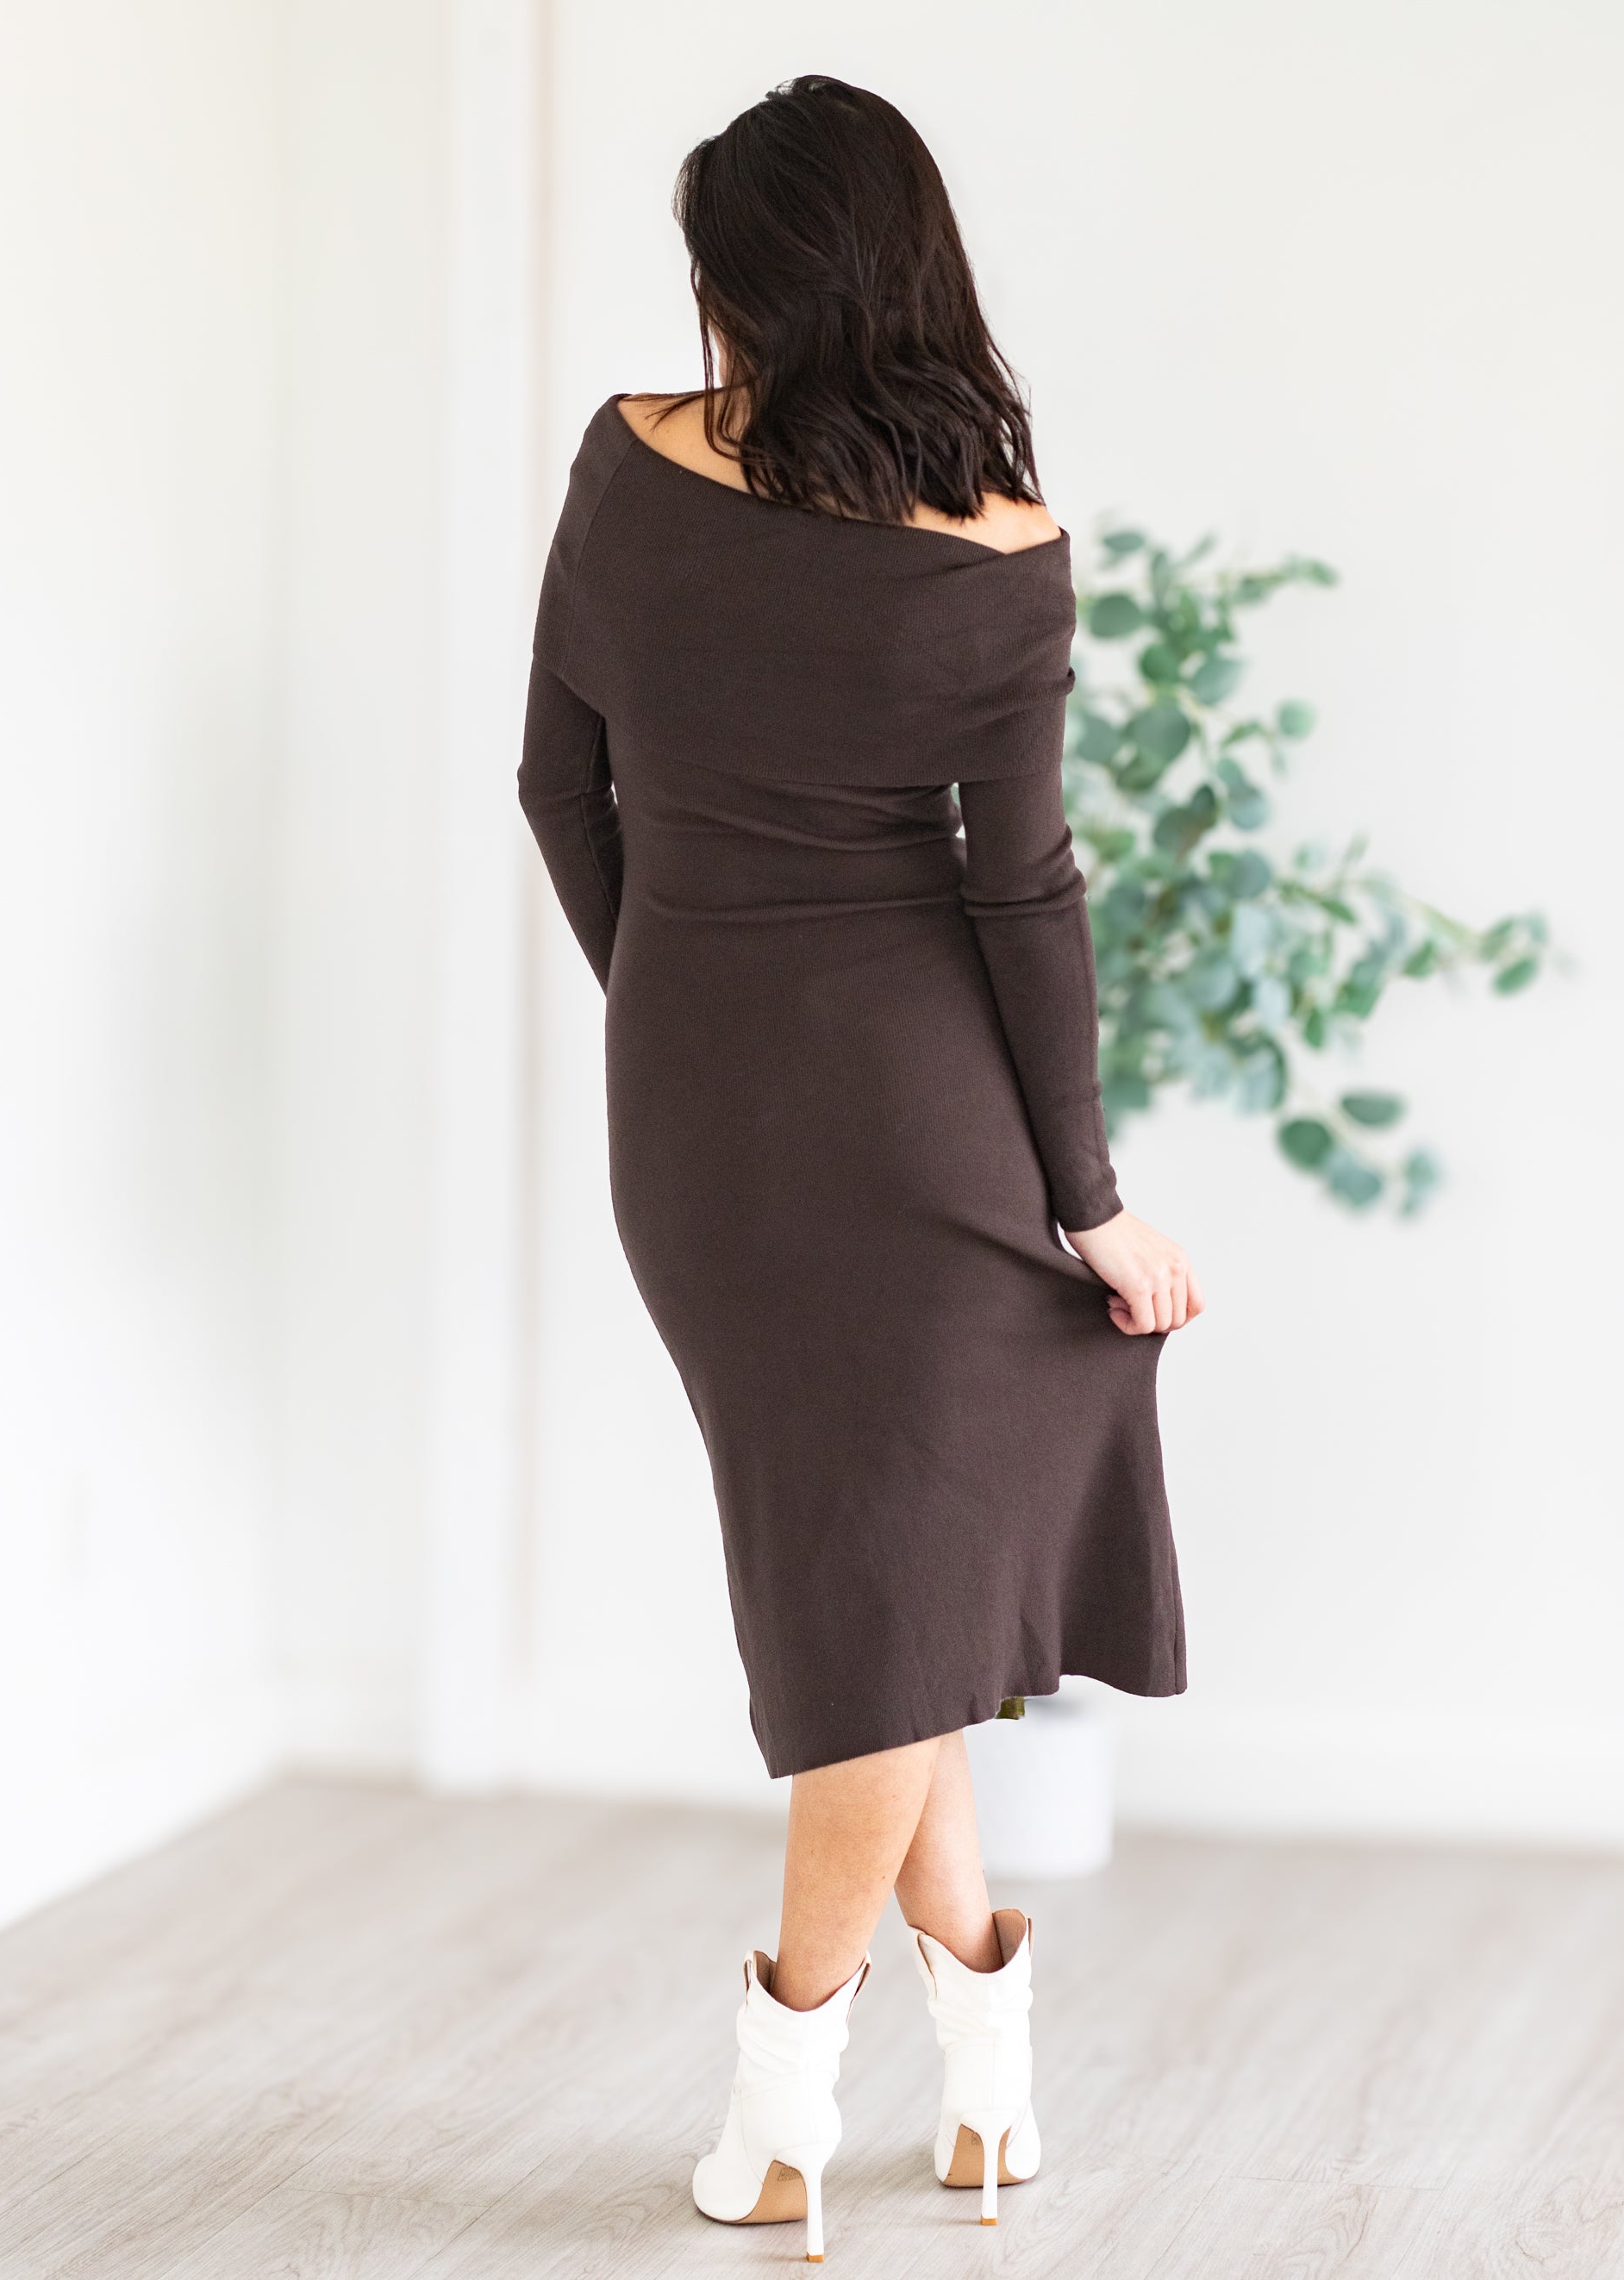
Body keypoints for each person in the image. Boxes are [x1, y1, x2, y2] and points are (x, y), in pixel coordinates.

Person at [519, 72, 1202, 2262]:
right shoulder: (1003, 552)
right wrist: (1083, 1196)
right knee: (876, 1605)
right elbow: (1024, 899)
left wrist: (682, 1011)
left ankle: (987, 2084)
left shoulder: (631, 464)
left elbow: (561, 791)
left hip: (696, 1111)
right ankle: (789, 2094)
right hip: (930, 1118)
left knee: (882, 1596)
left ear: (749, 282)